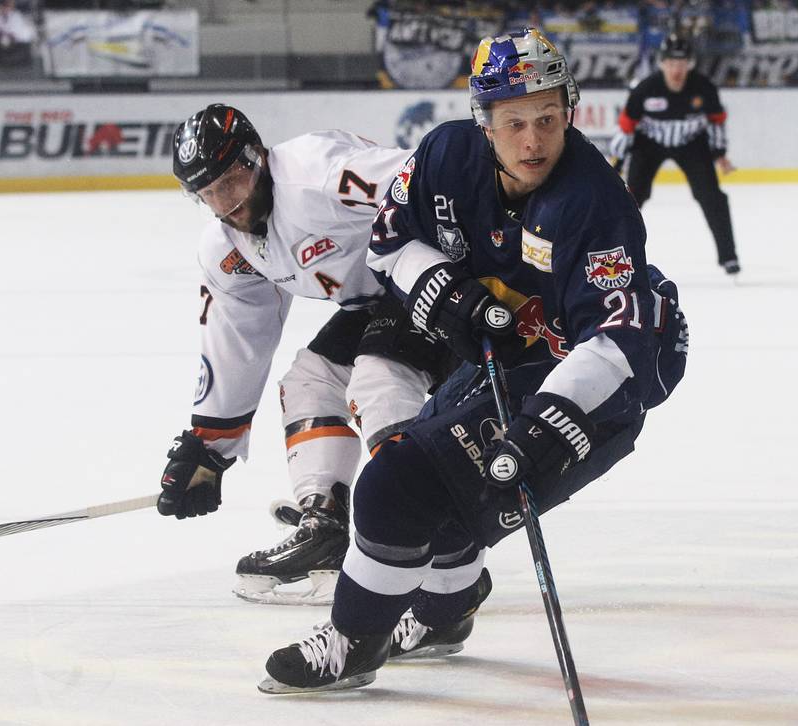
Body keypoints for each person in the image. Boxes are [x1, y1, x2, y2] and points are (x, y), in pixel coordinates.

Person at [258, 28, 688, 694]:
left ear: (569, 110)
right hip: (516, 357)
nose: (533, 141)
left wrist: (551, 420)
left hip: (600, 389)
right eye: (514, 122)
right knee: (446, 492)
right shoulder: (446, 156)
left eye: (547, 118)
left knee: (397, 485)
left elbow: (616, 337)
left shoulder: (592, 203)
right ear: (483, 123)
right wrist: (444, 290)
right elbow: (389, 239)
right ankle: (440, 615)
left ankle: (354, 640)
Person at [156, 104, 489, 659]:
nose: (227, 203)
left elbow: (424, 177)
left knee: (380, 380)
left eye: (233, 180)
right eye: (208, 193)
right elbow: (240, 340)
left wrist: (489, 264)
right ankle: (325, 522)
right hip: (379, 301)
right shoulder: (227, 250)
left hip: (440, 279)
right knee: (309, 380)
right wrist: (208, 450)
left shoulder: (316, 174)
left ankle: (426, 537)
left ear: (256, 158)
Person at [609, 31, 740, 275]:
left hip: (692, 143)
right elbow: (626, 128)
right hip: (649, 144)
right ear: (662, 64)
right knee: (631, 200)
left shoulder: (704, 88)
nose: (676, 70)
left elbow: (717, 120)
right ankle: (615, 256)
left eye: (681, 64)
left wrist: (719, 153)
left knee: (712, 197)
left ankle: (729, 257)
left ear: (689, 64)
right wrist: (616, 163)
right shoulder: (645, 90)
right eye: (671, 64)